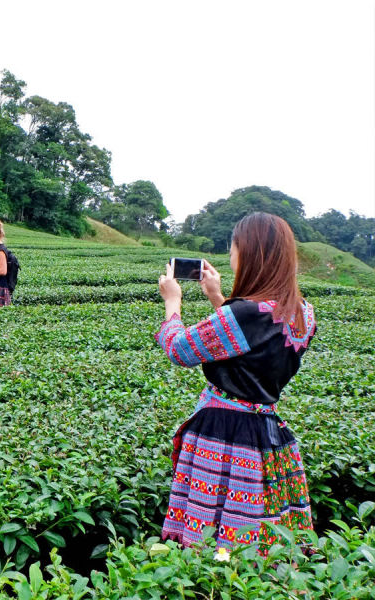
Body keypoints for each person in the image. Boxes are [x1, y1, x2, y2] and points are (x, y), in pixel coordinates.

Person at [156, 212, 316, 553]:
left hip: (224, 435)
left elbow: (179, 349)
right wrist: (218, 298)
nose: (231, 256)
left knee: (213, 539)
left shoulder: (243, 315)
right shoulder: (303, 312)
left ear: (248, 253)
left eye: (234, 248)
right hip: (268, 434)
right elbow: (249, 344)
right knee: (259, 539)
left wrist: (173, 302)